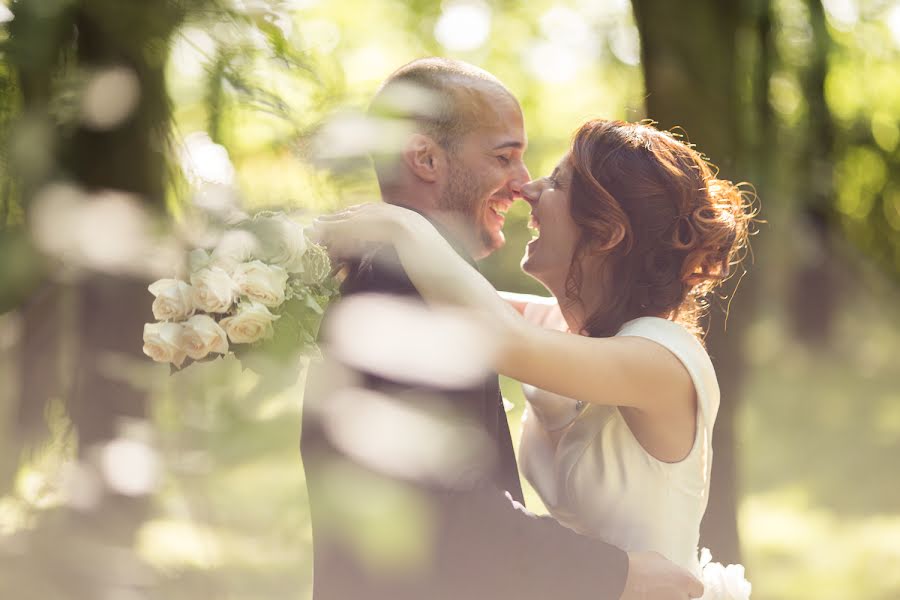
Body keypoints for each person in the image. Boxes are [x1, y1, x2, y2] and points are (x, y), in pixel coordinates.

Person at [301, 58, 705, 600]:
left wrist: (397, 222)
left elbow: (500, 334)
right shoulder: (415, 294)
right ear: (424, 158)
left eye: (554, 181)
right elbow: (450, 513)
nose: (526, 187)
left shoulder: (658, 358)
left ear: (606, 232)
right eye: (505, 156)